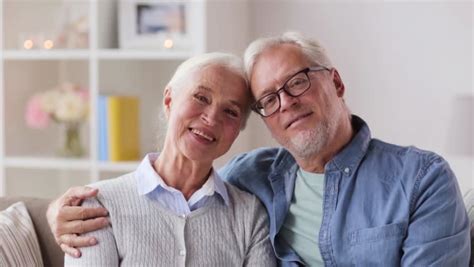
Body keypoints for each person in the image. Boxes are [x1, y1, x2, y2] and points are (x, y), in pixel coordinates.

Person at [48, 32, 471, 266]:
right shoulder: (251, 179)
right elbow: (179, 194)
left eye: (298, 81)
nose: (286, 102)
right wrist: (57, 211)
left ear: (337, 83)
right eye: (268, 99)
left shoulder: (420, 179)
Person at [59, 52, 276, 266]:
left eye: (230, 111)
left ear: (238, 130)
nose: (211, 118)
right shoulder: (97, 204)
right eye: (201, 97)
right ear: (169, 100)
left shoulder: (250, 215)